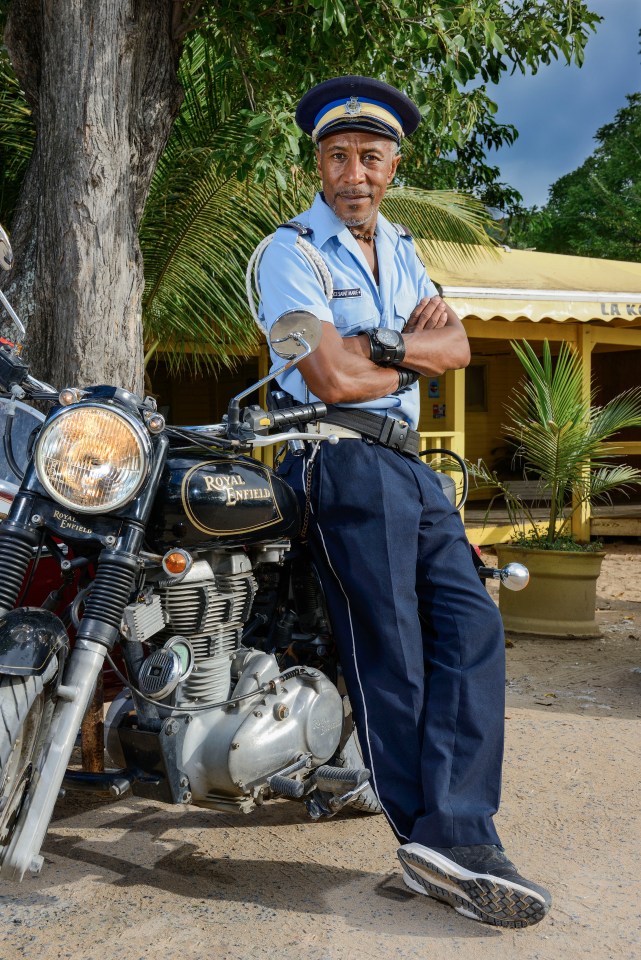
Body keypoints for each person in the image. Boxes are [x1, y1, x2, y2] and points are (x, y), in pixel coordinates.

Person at [258, 75, 551, 929]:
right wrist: (404, 344)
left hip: (409, 463)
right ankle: (434, 840)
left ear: (392, 166)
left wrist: (382, 343)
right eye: (338, 156)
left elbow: (457, 345)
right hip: (335, 455)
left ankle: (457, 829)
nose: (354, 173)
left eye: (370, 158)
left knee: (472, 624)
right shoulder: (293, 253)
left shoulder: (406, 249)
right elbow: (331, 376)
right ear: (318, 162)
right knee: (392, 646)